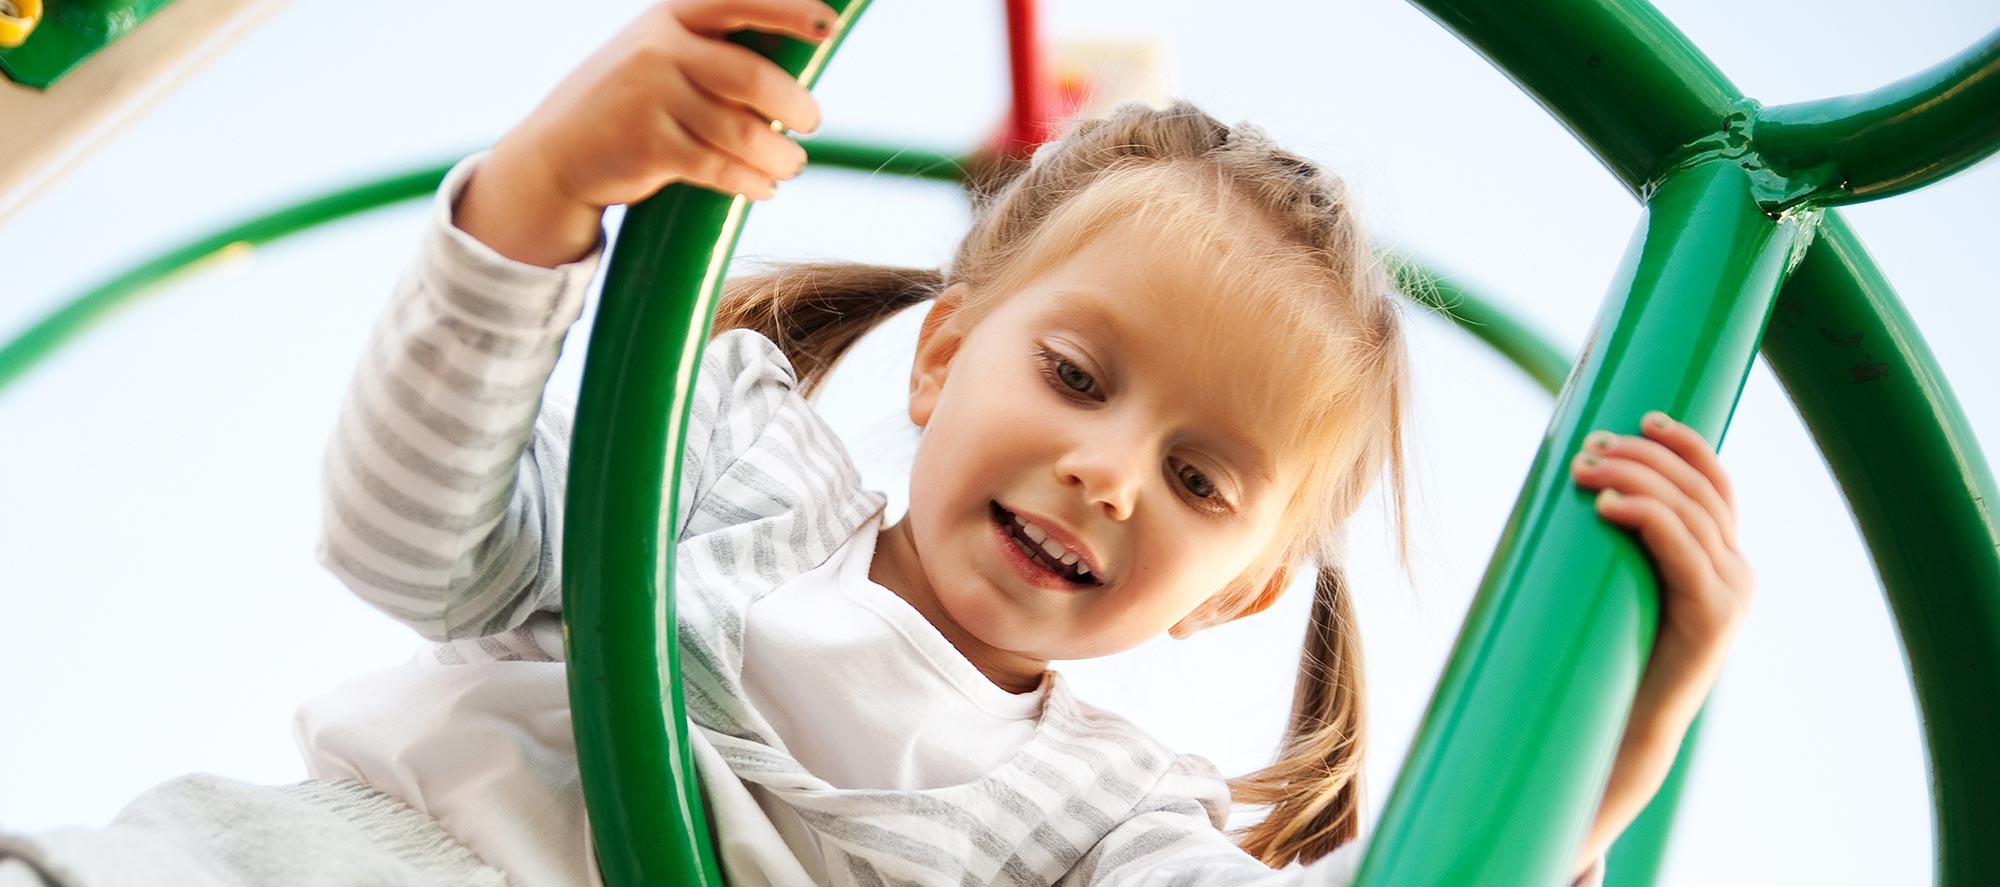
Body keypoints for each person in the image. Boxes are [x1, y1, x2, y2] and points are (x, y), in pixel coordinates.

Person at [0, 1, 1754, 885]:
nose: (1107, 470)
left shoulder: (1103, 823)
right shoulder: (730, 468)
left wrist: (1610, 745)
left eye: (1201, 480)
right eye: (1077, 377)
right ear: (940, 360)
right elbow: (407, 537)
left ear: (1238, 596)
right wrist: (536, 197)